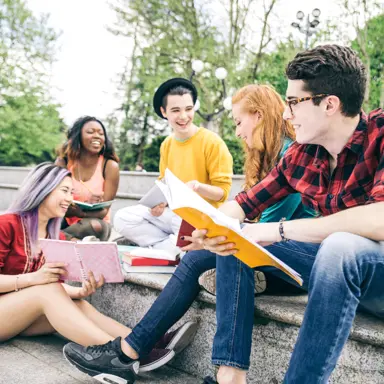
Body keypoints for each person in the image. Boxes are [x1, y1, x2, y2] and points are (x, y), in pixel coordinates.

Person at [61, 84, 317, 383]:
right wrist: (207, 232)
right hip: (273, 249)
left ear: (258, 116)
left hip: (307, 256)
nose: (236, 132)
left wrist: (215, 229)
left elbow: (262, 223)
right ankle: (129, 351)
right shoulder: (268, 156)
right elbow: (247, 204)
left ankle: (229, 376)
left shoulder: (293, 154)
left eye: (237, 122)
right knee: (197, 258)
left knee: (232, 244)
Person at [193, 45, 384, 384]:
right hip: (331, 269)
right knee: (237, 238)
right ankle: (230, 375)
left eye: (294, 102)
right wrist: (212, 225)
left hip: (375, 272)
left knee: (340, 246)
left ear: (329, 104)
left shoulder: (380, 134)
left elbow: (379, 220)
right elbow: (244, 203)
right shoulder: (302, 154)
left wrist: (277, 230)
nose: (285, 114)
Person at [0, 162, 182, 383]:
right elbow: (40, 286)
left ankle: (144, 343)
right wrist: (33, 278)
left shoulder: (54, 235)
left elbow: (48, 287)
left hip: (16, 316)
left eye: (72, 192)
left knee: (80, 305)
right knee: (46, 291)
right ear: (43, 189)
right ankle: (119, 357)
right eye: (64, 191)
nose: (70, 199)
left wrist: (77, 292)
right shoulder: (7, 223)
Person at [113, 78, 233, 256]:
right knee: (121, 218)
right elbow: (164, 183)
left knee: (183, 246)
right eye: (176, 110)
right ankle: (167, 248)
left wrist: (198, 187)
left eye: (189, 109)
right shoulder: (167, 144)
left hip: (198, 219)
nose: (183, 116)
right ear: (164, 112)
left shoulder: (212, 142)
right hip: (173, 214)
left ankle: (165, 248)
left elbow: (222, 193)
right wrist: (159, 204)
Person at [56, 116, 120, 241]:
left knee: (94, 226)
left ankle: (57, 238)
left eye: (101, 134)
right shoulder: (63, 162)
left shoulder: (110, 166)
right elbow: (54, 203)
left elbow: (103, 212)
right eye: (90, 132)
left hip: (95, 223)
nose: (97, 136)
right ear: (78, 137)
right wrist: (76, 208)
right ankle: (69, 239)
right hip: (63, 220)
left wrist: (82, 213)